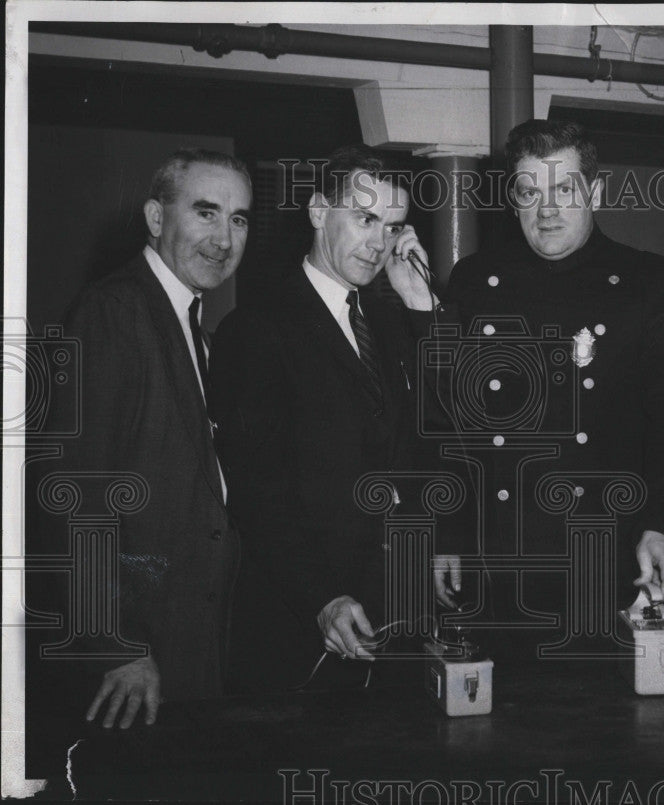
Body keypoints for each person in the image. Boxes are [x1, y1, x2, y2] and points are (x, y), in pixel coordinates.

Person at [442, 120, 664, 653]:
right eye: (528, 192)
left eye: (563, 189)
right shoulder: (475, 281)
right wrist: (448, 533)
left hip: (607, 560)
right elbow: (454, 424)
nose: (545, 209)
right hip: (498, 566)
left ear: (593, 192)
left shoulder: (652, 286)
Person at [210, 146, 461, 692]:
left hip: (392, 612)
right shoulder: (256, 328)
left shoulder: (388, 321)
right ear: (319, 210)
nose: (379, 243)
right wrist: (320, 596)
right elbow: (256, 490)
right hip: (308, 623)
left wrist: (421, 309)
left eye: (392, 226)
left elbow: (437, 434)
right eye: (366, 219)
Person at [36, 149, 252, 728]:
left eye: (238, 219)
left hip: (189, 645)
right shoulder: (112, 311)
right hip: (136, 660)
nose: (224, 238)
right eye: (206, 213)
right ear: (157, 219)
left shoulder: (190, 325)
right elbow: (70, 495)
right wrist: (114, 644)